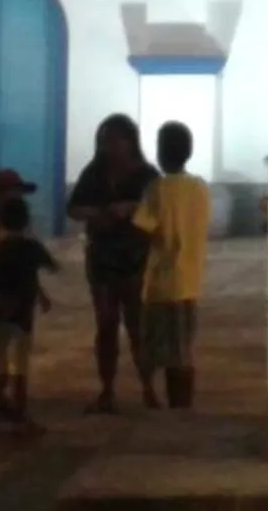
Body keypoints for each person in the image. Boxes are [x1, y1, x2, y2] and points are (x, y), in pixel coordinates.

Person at [67, 113, 159, 411]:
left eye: (114, 141)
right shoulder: (94, 173)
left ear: (130, 142)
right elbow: (74, 208)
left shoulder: (147, 175)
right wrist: (98, 214)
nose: (109, 148)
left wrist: (131, 208)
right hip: (102, 259)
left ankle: (149, 388)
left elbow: (160, 211)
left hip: (136, 259)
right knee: (106, 326)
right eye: (104, 142)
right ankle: (107, 390)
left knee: (138, 326)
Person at [0, 172, 56, 434]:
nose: (19, 198)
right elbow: (42, 265)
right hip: (7, 308)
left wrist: (39, 293)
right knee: (1, 359)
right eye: (14, 192)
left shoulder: (8, 235)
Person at [134, 120, 211, 410]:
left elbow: (144, 226)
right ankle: (183, 404)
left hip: (161, 282)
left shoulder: (157, 188)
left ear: (161, 152)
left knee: (153, 347)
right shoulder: (200, 187)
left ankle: (153, 396)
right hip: (190, 281)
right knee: (183, 350)